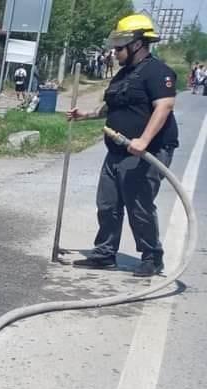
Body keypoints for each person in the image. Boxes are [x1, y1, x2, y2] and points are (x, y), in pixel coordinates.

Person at [66, 14, 179, 277]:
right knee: (108, 203)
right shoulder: (124, 74)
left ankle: (152, 257)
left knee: (139, 204)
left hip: (148, 151)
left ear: (137, 44)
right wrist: (86, 114)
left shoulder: (157, 72)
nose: (114, 52)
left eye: (119, 48)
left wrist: (144, 141)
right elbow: (114, 105)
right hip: (117, 149)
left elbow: (164, 106)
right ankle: (105, 253)